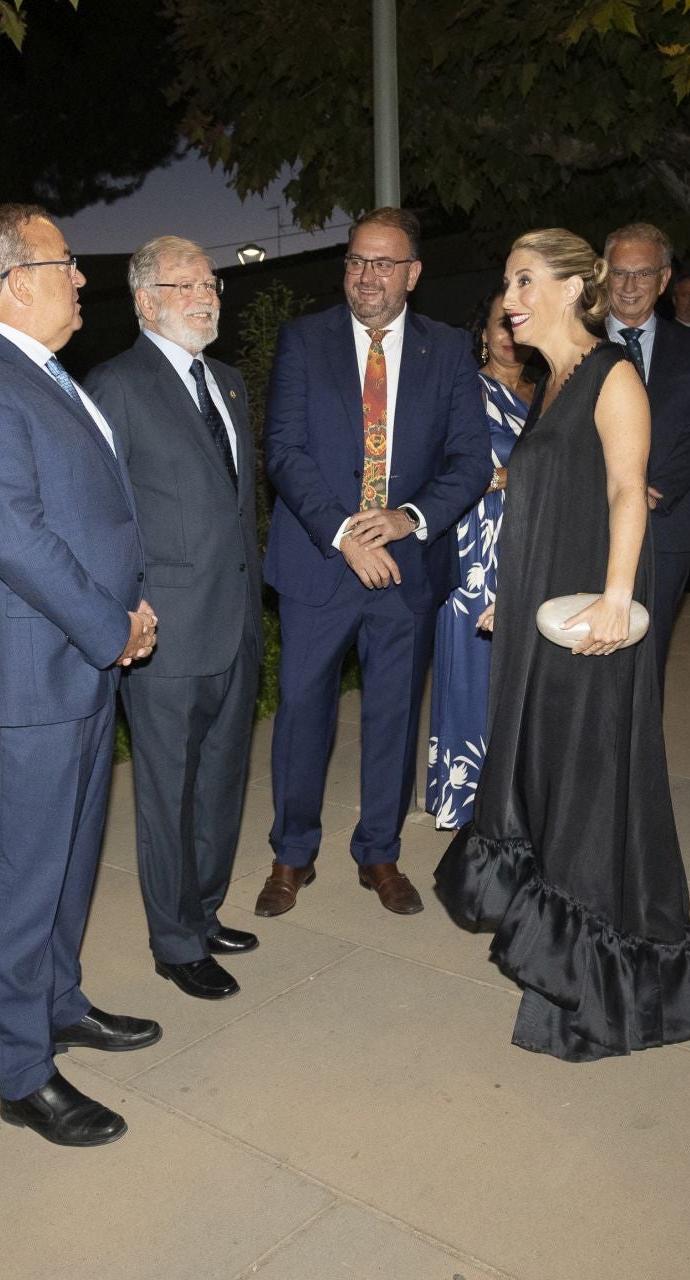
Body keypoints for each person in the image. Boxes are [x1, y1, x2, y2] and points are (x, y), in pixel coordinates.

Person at [433, 228, 690, 1061]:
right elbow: (549, 508)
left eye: (525, 280)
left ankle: (594, 990)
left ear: (570, 288)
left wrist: (619, 601)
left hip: (591, 626)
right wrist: (508, 600)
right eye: (507, 279)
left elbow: (630, 492)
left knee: (587, 797)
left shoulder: (610, 374)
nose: (510, 297)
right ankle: (558, 958)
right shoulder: (550, 384)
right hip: (540, 620)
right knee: (545, 785)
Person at [0, 204, 161, 1149]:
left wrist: (126, 612)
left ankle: (59, 1002)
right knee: (19, 876)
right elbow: (16, 538)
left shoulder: (37, 372)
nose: (82, 279)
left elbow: (92, 513)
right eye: (66, 264)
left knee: (67, 859)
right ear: (16, 280)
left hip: (82, 656)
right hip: (29, 673)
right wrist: (112, 624)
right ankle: (22, 1071)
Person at [257, 207, 491, 918]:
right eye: (358, 260)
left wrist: (408, 518)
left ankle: (379, 853)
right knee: (301, 710)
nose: (367, 275)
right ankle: (293, 853)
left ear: (413, 275)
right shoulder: (305, 340)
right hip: (319, 565)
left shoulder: (447, 349)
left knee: (393, 713)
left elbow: (470, 460)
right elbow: (285, 452)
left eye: (384, 264)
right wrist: (346, 535)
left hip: (406, 570)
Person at [84, 236, 262, 1001]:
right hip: (164, 630)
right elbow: (99, 513)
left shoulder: (227, 382)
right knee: (168, 791)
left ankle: (205, 908)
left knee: (222, 779)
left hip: (237, 623)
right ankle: (175, 939)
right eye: (186, 284)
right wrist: (128, 605)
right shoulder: (113, 385)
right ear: (145, 300)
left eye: (210, 281)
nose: (207, 295)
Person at [426, 292, 532, 830]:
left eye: (519, 323)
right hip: (476, 546)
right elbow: (443, 465)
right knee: (472, 668)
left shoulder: (551, 391)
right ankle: (466, 798)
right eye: (500, 324)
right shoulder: (464, 388)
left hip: (537, 542)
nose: (510, 334)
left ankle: (525, 794)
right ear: (483, 333)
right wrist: (512, 478)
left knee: (529, 670)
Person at [603, 223, 690, 681]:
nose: (630, 287)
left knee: (648, 658)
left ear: (664, 279)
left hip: (666, 526)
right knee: (588, 652)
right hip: (591, 522)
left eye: (643, 274)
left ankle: (638, 753)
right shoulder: (577, 341)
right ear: (603, 275)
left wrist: (657, 488)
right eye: (620, 273)